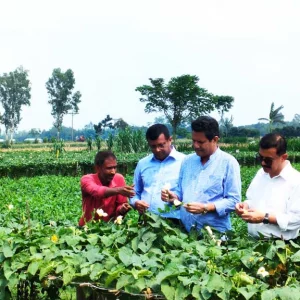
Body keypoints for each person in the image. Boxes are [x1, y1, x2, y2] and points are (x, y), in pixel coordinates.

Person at [162, 116, 241, 233]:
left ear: (214, 139)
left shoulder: (228, 162)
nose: (196, 145)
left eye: (201, 142)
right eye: (193, 141)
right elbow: (181, 192)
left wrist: (206, 208)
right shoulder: (187, 161)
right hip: (186, 232)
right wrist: (173, 197)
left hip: (215, 234)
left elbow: (234, 201)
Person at [235, 133, 300, 240]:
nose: (263, 163)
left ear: (283, 157)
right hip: (253, 242)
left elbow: (296, 220)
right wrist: (245, 205)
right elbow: (252, 199)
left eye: (268, 160)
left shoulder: (296, 180)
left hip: (281, 247)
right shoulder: (261, 174)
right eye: (260, 157)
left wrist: (265, 218)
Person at [130, 124, 185, 220]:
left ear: (170, 140)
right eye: (153, 146)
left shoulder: (184, 162)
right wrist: (136, 202)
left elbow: (191, 194)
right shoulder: (143, 163)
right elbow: (135, 192)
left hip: (174, 221)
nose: (157, 150)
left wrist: (176, 198)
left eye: (161, 145)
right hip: (146, 219)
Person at [78, 151, 135, 226]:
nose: (113, 172)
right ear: (97, 168)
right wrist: (118, 190)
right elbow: (97, 192)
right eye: (109, 168)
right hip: (87, 227)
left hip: (109, 228)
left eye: (115, 167)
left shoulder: (119, 179)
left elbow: (120, 205)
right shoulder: (86, 179)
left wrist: (122, 209)